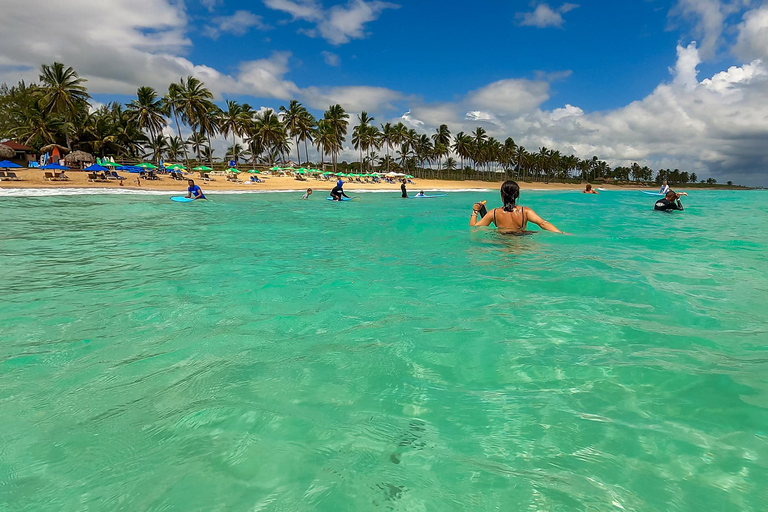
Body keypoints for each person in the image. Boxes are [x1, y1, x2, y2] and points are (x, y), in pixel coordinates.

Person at [470, 180, 562, 233]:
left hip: (501, 244)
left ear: (502, 195)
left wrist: (475, 210)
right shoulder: (525, 211)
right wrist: (561, 233)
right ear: (517, 195)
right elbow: (543, 223)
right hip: (520, 244)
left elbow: (474, 228)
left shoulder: (493, 213)